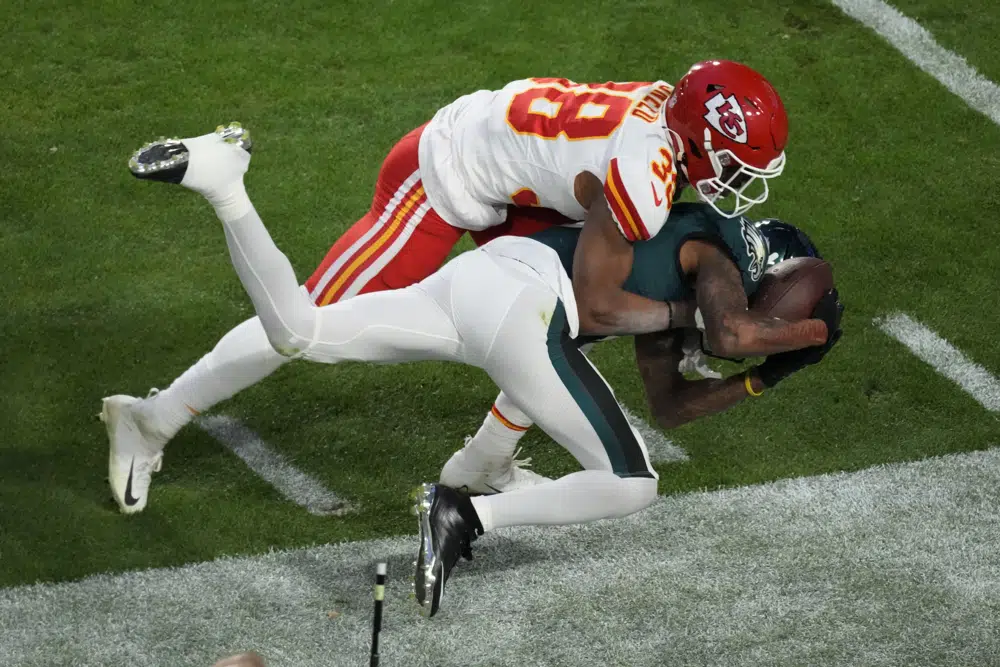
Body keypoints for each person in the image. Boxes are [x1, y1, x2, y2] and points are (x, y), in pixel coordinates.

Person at [124, 122, 839, 616]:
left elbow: (672, 403)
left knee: (300, 330)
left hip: (484, 278)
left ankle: (227, 189)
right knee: (630, 484)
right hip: (527, 310)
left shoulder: (676, 249)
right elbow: (731, 326)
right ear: (763, 260)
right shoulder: (716, 248)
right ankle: (465, 508)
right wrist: (800, 334)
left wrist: (759, 381)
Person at [102, 61, 789, 514]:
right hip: (447, 176)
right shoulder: (644, 173)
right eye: (736, 159)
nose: (740, 177)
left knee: (565, 318)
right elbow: (605, 293)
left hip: (515, 176)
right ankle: (151, 416)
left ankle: (485, 460)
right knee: (304, 323)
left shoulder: (659, 114)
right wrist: (688, 320)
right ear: (702, 137)